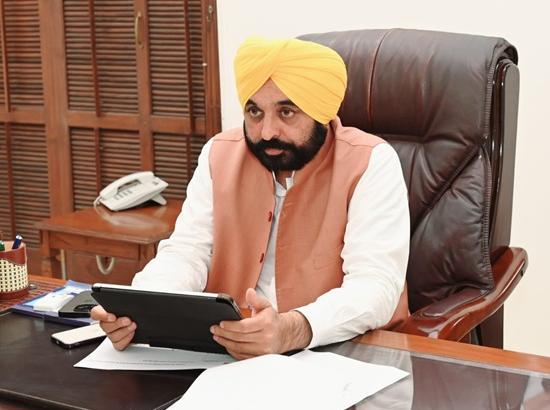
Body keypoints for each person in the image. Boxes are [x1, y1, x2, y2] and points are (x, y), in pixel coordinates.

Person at [91, 37, 410, 360]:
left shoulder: (371, 161)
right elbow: (188, 251)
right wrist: (142, 306)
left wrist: (292, 329)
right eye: (254, 112)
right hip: (230, 351)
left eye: (287, 112)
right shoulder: (219, 153)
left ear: (321, 113)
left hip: (343, 354)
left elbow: (375, 285)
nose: (267, 131)